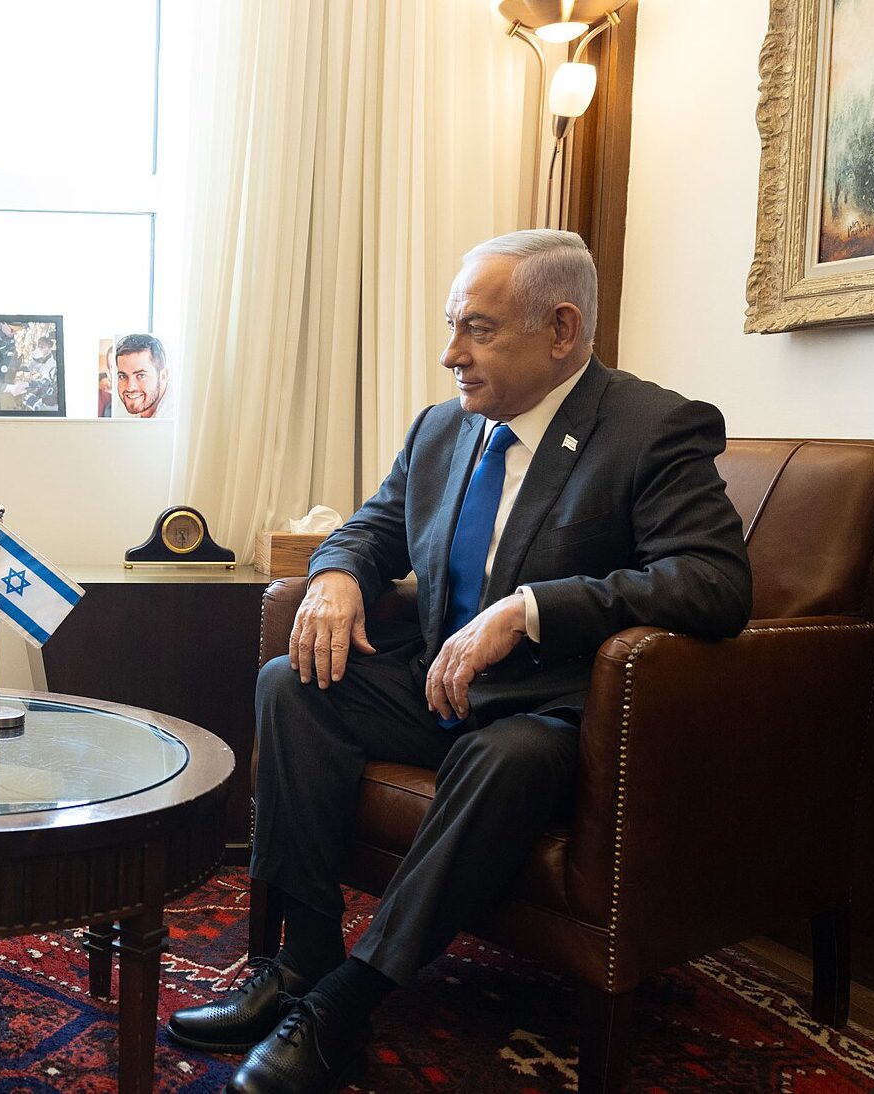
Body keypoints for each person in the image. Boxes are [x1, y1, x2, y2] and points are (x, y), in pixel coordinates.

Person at [165, 230, 752, 1094]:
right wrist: (333, 578)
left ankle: (344, 1006)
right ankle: (303, 962)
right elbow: (372, 528)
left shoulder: (652, 428)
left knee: (503, 754)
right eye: (451, 327)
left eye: (477, 330)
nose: (451, 355)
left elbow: (713, 582)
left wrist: (537, 608)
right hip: (437, 685)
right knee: (292, 683)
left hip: (557, 713)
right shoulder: (444, 429)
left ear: (561, 329)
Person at [114, 333, 170, 417]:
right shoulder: (125, 403)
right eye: (122, 376)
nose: (130, 388)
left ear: (163, 376)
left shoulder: (177, 416)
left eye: (141, 375)